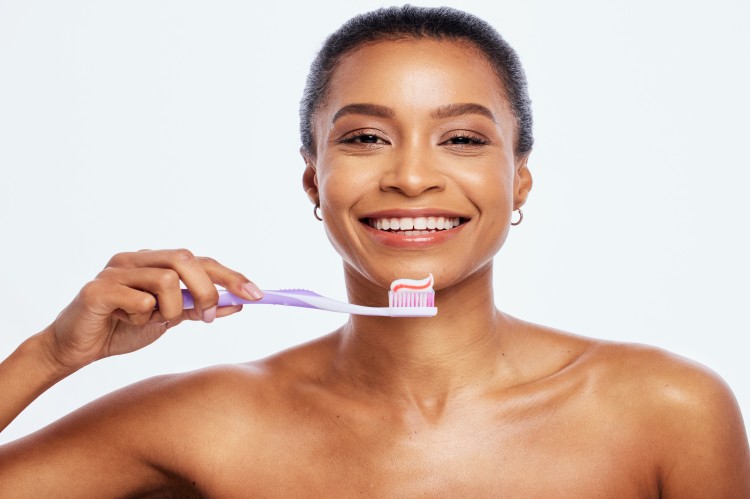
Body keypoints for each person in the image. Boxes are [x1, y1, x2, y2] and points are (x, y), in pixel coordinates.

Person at [1, 5, 748, 496]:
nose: (413, 176)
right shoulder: (210, 420)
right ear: (313, 180)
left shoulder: (669, 410)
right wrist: (47, 355)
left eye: (461, 138)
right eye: (364, 137)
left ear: (518, 181)